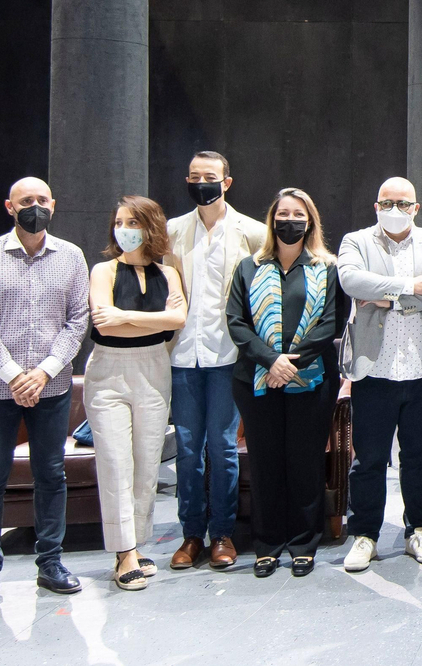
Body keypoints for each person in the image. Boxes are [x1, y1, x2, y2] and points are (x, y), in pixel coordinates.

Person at [0, 178, 90, 609]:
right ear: (9, 208)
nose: (35, 206)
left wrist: (45, 371)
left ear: (54, 203)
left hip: (51, 387)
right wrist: (16, 374)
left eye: (41, 200)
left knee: (51, 474)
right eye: (25, 202)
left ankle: (50, 562)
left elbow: (77, 322)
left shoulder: (70, 256)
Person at [336, 177, 422, 573]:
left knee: (420, 457)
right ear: (376, 205)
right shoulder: (356, 241)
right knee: (368, 458)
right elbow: (351, 280)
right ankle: (364, 534)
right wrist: (410, 288)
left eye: (404, 203)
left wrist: (383, 298)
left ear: (416, 208)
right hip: (374, 369)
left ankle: (418, 529)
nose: (395, 209)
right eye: (387, 202)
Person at [226, 188, 344, 579]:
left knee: (305, 462)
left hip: (312, 381)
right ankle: (268, 543)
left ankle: (303, 543)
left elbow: (331, 322)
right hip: (257, 381)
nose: (289, 221)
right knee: (266, 463)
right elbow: (237, 323)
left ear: (309, 221)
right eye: (282, 214)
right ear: (271, 221)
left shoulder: (327, 267)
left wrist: (291, 364)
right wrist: (270, 361)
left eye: (298, 214)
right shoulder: (248, 266)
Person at [164, 150, 266, 571]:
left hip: (229, 355)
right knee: (187, 448)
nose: (200, 182)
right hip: (182, 353)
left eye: (209, 176)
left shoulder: (253, 233)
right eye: (193, 176)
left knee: (223, 446)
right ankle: (191, 533)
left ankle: (222, 532)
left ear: (227, 182)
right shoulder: (171, 231)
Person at [85, 196, 188, 590]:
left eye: (132, 222)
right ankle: (123, 551)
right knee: (115, 461)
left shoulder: (168, 272)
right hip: (109, 369)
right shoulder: (103, 270)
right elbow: (104, 325)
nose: (124, 229)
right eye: (119, 221)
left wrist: (125, 315)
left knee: (147, 463)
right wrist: (153, 319)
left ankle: (136, 543)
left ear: (150, 227)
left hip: (154, 367)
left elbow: (176, 320)